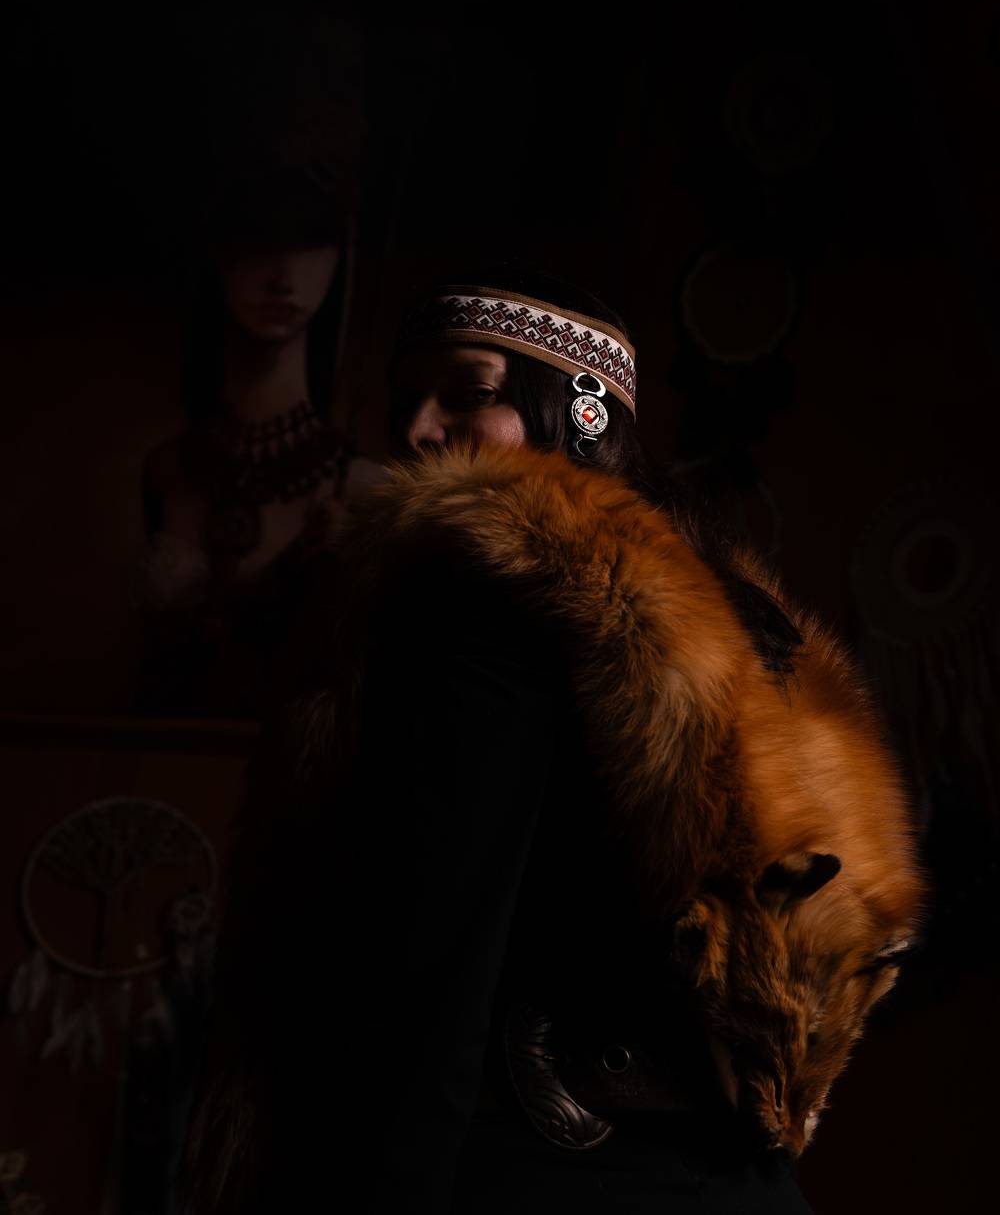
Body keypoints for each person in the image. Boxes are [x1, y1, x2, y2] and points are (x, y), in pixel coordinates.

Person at [184, 269, 922, 1213]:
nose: (418, 429)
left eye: (468, 393)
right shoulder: (728, 620)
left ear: (583, 409)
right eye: (404, 401)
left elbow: (432, 981)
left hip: (543, 1176)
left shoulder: (486, 607)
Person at [140, 162, 379, 717]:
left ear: (339, 260)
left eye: (310, 245)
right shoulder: (168, 470)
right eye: (257, 244)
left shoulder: (362, 488)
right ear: (220, 257)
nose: (283, 277)